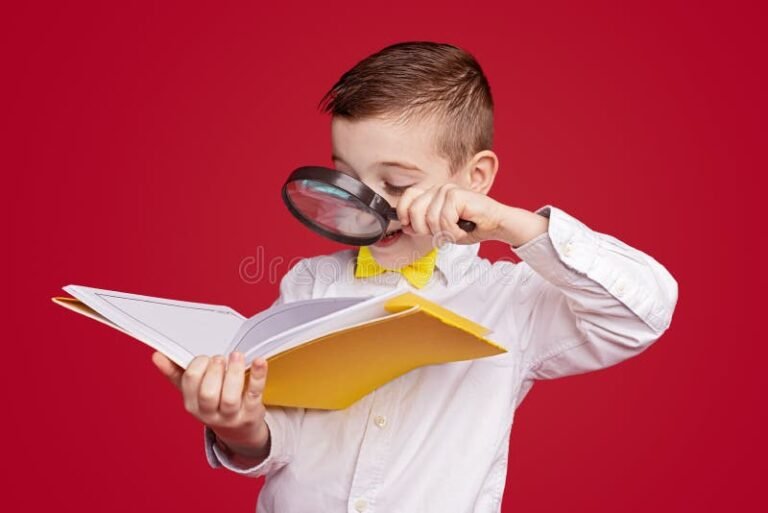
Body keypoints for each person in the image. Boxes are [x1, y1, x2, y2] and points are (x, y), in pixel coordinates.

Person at [152, 41, 678, 513]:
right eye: (347, 180)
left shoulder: (509, 302)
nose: (368, 205)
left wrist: (511, 223)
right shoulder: (309, 283)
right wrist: (239, 428)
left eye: (397, 183)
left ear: (475, 180)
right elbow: (279, 442)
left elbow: (642, 312)